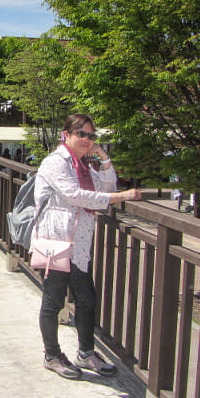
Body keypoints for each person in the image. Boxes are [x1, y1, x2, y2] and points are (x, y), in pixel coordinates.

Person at [33, 113, 141, 380]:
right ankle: (52, 354)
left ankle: (86, 352)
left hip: (79, 244)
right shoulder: (56, 163)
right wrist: (120, 197)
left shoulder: (82, 165)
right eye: (81, 134)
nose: (86, 139)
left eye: (91, 136)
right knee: (53, 301)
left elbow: (106, 184)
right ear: (66, 134)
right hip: (56, 241)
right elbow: (75, 195)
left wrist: (103, 156)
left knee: (86, 300)